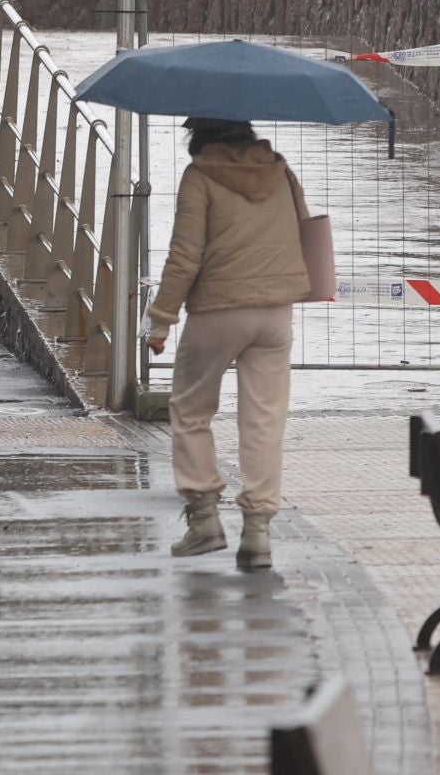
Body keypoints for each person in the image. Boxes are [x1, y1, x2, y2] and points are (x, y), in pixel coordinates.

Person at [146, 117, 311, 572]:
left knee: (191, 409)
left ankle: (204, 521)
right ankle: (257, 533)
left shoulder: (200, 176)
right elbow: (304, 230)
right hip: (276, 314)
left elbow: (184, 255)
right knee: (263, 420)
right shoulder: (280, 171)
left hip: (218, 309)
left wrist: (160, 320)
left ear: (201, 135)